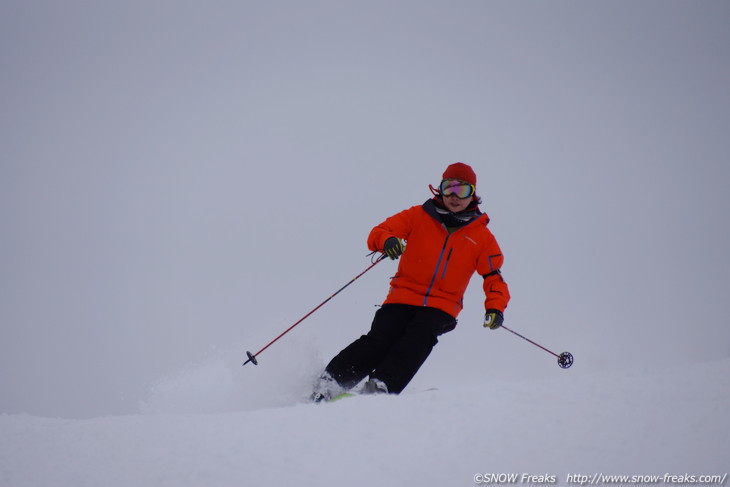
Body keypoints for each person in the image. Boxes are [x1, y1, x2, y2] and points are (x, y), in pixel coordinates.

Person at [311, 162, 510, 401]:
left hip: (442, 305)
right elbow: (380, 231)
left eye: (463, 190)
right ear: (440, 189)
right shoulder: (419, 216)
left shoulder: (482, 236)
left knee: (420, 337)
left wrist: (495, 308)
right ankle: (330, 383)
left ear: (473, 195)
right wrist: (388, 241)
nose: (455, 197)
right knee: (381, 338)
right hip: (403, 295)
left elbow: (493, 277)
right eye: (450, 188)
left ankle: (380, 387)